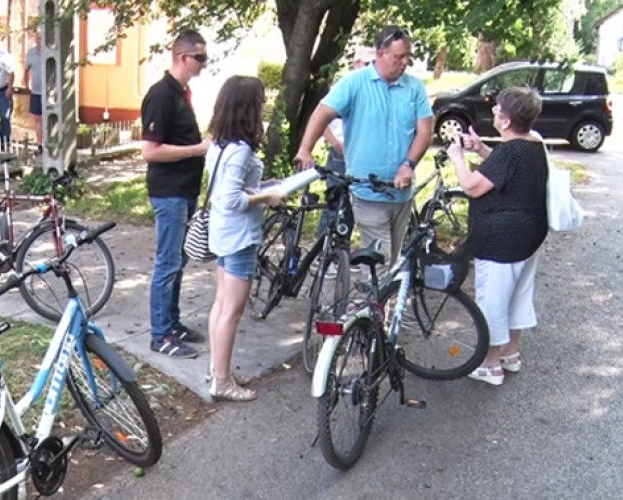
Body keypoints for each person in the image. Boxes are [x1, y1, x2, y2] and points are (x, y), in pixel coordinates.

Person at [295, 26, 433, 271]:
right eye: (398, 57)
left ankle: (375, 304)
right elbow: (321, 113)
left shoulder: (414, 88)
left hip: (402, 193)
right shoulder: (354, 83)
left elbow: (425, 131)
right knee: (379, 265)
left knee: (392, 261)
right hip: (368, 192)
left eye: (407, 57)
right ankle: (373, 305)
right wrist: (306, 150)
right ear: (380, 53)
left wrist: (408, 164)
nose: (404, 63)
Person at [446, 87, 548, 386]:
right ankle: (510, 353)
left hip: (501, 240)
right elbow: (509, 169)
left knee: (492, 299)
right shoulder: (533, 145)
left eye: (496, 110)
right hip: (529, 237)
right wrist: (480, 149)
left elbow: (472, 187)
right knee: (518, 294)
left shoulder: (509, 152)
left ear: (505, 121)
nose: (492, 113)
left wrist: (458, 158)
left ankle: (490, 365)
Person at [205, 76, 284, 401]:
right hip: (238, 237)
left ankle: (216, 369)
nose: (263, 107)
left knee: (222, 304)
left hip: (223, 233)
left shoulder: (219, 144)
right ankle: (222, 381)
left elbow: (231, 190)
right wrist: (266, 198)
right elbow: (232, 199)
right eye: (260, 102)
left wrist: (263, 186)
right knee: (231, 310)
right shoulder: (239, 150)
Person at [141, 30, 211, 359]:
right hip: (169, 194)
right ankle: (160, 334)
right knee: (168, 263)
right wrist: (197, 149)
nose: (204, 64)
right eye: (200, 57)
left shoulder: (181, 94)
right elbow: (150, 151)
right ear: (182, 57)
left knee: (178, 262)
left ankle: (172, 324)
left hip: (184, 191)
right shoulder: (161, 95)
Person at [316, 46, 376, 275]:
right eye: (366, 63)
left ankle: (341, 252)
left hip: (359, 155)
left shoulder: (372, 89)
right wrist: (336, 144)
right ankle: (324, 256)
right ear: (356, 64)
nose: (370, 68)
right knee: (335, 204)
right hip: (340, 154)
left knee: (351, 208)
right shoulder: (344, 86)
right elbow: (322, 122)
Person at [24, 30, 43, 154]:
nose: (39, 40)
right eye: (37, 38)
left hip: (50, 92)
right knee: (37, 118)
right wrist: (27, 85)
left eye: (41, 38)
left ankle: (50, 143)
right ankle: (39, 144)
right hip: (36, 91)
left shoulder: (51, 52)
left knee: (48, 118)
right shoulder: (31, 53)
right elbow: (26, 70)